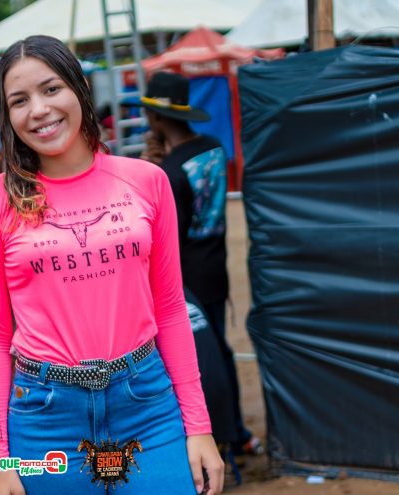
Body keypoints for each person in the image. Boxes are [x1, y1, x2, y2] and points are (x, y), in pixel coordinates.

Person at [0, 35, 224, 495]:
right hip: (45, 419)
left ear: (80, 87)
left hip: (147, 406)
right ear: (6, 117)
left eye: (51, 89)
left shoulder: (147, 182)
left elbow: (169, 309)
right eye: (19, 100)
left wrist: (198, 425)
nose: (39, 110)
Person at [141, 71, 262, 458]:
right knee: (221, 352)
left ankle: (215, 436)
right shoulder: (210, 148)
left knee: (195, 361)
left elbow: (166, 241)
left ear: (157, 119)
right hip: (217, 269)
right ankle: (238, 432)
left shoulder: (170, 171)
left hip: (186, 281)